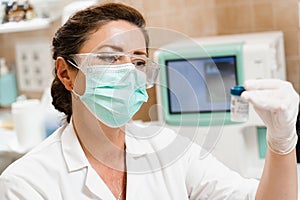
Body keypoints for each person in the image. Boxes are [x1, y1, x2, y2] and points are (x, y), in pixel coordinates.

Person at [0, 2, 299, 200]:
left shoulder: (170, 151)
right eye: (110, 57)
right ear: (66, 73)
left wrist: (281, 141)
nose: (129, 71)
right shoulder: (27, 183)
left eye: (139, 62)